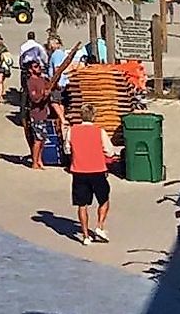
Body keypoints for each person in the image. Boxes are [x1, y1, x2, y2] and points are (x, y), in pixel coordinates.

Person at [67, 114, 115, 242]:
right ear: (93, 116)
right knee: (104, 199)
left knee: (82, 204)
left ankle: (85, 236)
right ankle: (100, 226)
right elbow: (110, 151)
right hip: (98, 170)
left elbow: (67, 149)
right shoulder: (100, 132)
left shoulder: (72, 130)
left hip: (79, 171)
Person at [23, 63, 58, 171]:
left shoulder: (43, 79)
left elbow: (53, 86)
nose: (38, 68)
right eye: (35, 66)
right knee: (38, 139)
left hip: (43, 113)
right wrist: (44, 95)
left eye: (38, 66)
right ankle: (35, 162)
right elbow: (34, 99)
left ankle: (39, 160)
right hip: (35, 114)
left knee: (43, 139)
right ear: (30, 69)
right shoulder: (30, 82)